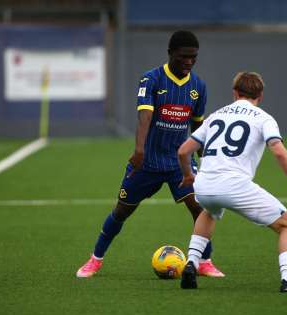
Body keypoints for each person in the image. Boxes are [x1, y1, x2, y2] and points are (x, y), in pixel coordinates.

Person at [76, 30, 224, 278]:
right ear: (170, 53)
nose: (189, 62)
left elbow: (198, 127)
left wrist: (205, 160)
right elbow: (144, 115)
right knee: (121, 211)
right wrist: (139, 150)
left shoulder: (198, 86)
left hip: (180, 163)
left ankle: (204, 261)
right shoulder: (152, 79)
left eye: (193, 57)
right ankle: (95, 260)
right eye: (183, 56)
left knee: (199, 208)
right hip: (147, 162)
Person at [177, 71, 287, 292]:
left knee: (208, 212)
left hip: (204, 184)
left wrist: (188, 175)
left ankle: (191, 262)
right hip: (234, 185)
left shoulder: (216, 115)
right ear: (261, 96)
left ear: (235, 93)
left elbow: (183, 151)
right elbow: (278, 151)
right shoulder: (263, 118)